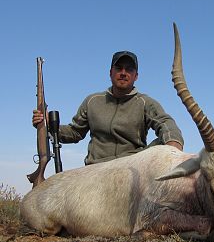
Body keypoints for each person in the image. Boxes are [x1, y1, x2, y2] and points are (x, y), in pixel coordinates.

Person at [32, 51, 184, 165]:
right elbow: (75, 132)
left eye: (129, 69)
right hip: (96, 169)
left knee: (162, 145)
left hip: (130, 168)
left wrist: (173, 148)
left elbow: (167, 125)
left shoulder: (145, 103)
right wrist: (47, 125)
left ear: (136, 76)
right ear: (110, 73)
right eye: (119, 68)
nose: (123, 73)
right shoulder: (92, 101)